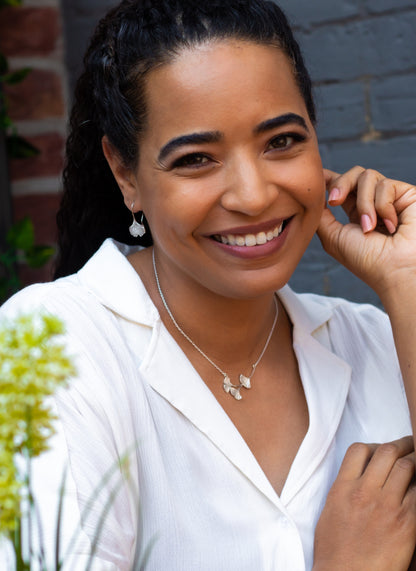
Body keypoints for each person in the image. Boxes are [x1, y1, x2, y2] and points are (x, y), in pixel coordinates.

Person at [1, 0, 416, 569]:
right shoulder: (50, 348)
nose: (252, 195)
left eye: (281, 142)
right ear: (127, 174)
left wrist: (408, 283)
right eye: (197, 158)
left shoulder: (384, 340)